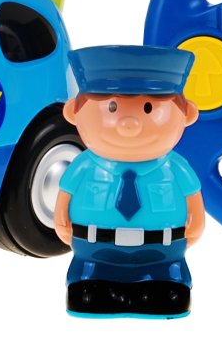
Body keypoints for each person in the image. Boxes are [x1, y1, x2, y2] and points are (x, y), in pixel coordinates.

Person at [54, 45, 205, 318]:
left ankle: (163, 284)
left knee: (166, 296)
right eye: (112, 107)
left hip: (162, 252)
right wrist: (61, 219)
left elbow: (193, 200)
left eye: (149, 108)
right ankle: (92, 283)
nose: (129, 123)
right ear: (73, 111)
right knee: (89, 294)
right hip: (94, 252)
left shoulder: (175, 168)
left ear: (187, 114)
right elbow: (65, 194)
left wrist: (195, 224)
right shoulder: (83, 165)